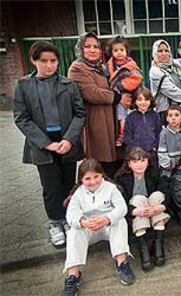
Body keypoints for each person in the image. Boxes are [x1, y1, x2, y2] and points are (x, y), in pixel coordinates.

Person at [13, 41, 85, 248]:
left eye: (53, 61)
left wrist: (69, 139)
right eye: (43, 61)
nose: (49, 65)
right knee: (51, 187)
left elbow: (80, 114)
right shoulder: (24, 85)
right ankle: (55, 222)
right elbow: (22, 118)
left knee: (68, 184)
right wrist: (46, 143)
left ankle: (69, 219)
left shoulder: (68, 85)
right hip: (42, 145)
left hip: (66, 142)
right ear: (34, 61)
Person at [62, 159, 134, 296]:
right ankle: (73, 275)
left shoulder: (111, 188)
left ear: (102, 174)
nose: (93, 181)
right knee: (73, 232)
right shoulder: (78, 193)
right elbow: (71, 214)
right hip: (89, 228)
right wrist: (82, 222)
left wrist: (107, 219)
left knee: (120, 222)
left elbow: (122, 208)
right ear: (81, 179)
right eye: (88, 178)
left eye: (96, 177)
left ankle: (122, 263)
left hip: (107, 225)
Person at [68, 32, 130, 177]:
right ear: (80, 49)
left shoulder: (103, 67)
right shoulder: (77, 68)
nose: (92, 50)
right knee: (99, 163)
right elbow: (91, 93)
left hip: (113, 120)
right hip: (96, 123)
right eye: (87, 46)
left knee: (117, 163)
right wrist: (118, 98)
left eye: (96, 47)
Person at [115, 147, 170, 271]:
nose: (139, 165)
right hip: (137, 213)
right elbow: (119, 203)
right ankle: (143, 248)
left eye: (142, 160)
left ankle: (158, 244)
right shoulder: (121, 178)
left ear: (147, 161)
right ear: (129, 163)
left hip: (153, 210)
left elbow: (167, 192)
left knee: (157, 195)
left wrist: (160, 207)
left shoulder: (153, 172)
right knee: (138, 199)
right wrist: (136, 211)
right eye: (135, 161)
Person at [149, 39, 181, 128]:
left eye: (166, 50)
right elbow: (173, 92)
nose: (164, 53)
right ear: (154, 53)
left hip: (177, 112)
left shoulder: (172, 68)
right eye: (160, 51)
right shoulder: (155, 71)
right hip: (165, 114)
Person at [104, 35, 143, 146]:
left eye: (122, 50)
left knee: (132, 116)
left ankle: (131, 135)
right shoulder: (108, 67)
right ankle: (122, 135)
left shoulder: (130, 65)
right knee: (121, 118)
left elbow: (137, 78)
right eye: (116, 50)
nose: (119, 52)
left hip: (131, 95)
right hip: (117, 98)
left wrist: (121, 85)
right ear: (111, 52)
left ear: (127, 51)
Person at [158, 105, 181, 217]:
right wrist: (169, 165)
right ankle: (170, 209)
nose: (173, 118)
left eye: (176, 115)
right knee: (169, 189)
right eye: (170, 116)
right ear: (166, 118)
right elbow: (162, 152)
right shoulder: (164, 133)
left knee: (180, 188)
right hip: (169, 169)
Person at [124, 87, 162, 167]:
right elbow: (127, 137)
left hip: (151, 152)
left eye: (146, 99)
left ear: (151, 101)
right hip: (135, 154)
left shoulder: (155, 115)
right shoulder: (130, 117)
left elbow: (159, 133)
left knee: (152, 174)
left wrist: (154, 147)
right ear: (135, 101)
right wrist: (133, 150)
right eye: (140, 99)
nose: (143, 102)